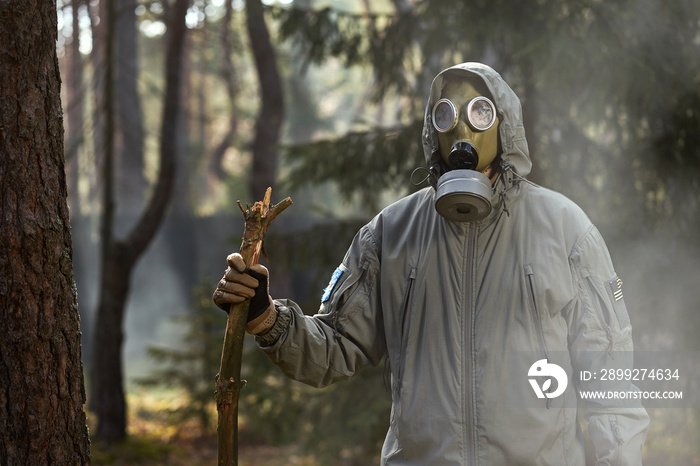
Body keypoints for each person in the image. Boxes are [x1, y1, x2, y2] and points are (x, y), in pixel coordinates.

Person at [213, 62, 649, 465]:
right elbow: (336, 347)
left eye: (480, 113)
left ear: (504, 124)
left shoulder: (566, 230)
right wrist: (266, 318)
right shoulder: (391, 232)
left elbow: (610, 381)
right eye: (446, 115)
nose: (462, 128)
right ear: (432, 130)